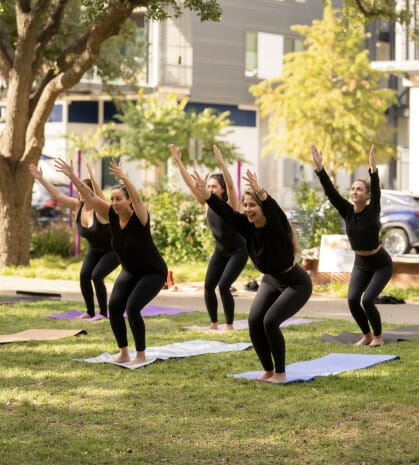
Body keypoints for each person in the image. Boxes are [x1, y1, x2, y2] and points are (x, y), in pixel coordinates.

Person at [191, 168, 312, 383]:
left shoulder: (276, 226)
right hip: (271, 280)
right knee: (254, 321)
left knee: (270, 322)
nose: (247, 209)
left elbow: (275, 211)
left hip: (296, 283)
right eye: (245, 205)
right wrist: (207, 195)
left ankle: (280, 373)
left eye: (252, 205)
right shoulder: (246, 227)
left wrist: (261, 192)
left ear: (262, 207)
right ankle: (268, 370)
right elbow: (225, 211)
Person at [55, 158, 167, 364]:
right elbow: (89, 195)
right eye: (112, 199)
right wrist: (72, 176)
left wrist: (125, 178)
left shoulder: (140, 217)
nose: (114, 203)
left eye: (119, 199)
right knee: (114, 308)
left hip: (152, 272)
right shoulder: (111, 215)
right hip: (130, 271)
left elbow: (138, 199)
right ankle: (123, 352)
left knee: (132, 308)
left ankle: (141, 355)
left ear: (129, 201)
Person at [311, 144, 393, 346]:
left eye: (360, 189)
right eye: (353, 189)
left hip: (380, 263)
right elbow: (331, 193)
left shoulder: (372, 209)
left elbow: (377, 190)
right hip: (361, 263)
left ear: (367, 195)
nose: (355, 192)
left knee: (368, 300)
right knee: (352, 299)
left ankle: (378, 337)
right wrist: (321, 170)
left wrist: (373, 171)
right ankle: (366, 335)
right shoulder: (347, 210)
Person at [170, 144, 248, 330]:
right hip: (221, 251)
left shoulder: (231, 204)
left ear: (221, 190)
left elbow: (230, 184)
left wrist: (222, 164)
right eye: (209, 186)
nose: (210, 189)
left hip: (238, 250)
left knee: (223, 286)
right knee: (208, 286)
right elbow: (190, 183)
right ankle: (214, 324)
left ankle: (229, 325)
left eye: (214, 186)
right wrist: (179, 161)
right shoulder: (206, 203)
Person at [29, 162, 119, 319]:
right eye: (78, 190)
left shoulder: (101, 211)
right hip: (95, 250)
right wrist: (41, 179)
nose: (79, 193)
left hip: (113, 250)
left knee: (96, 276)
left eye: (82, 190)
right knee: (84, 275)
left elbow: (98, 196)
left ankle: (104, 314)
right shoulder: (77, 207)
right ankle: (90, 311)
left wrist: (92, 179)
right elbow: (58, 195)